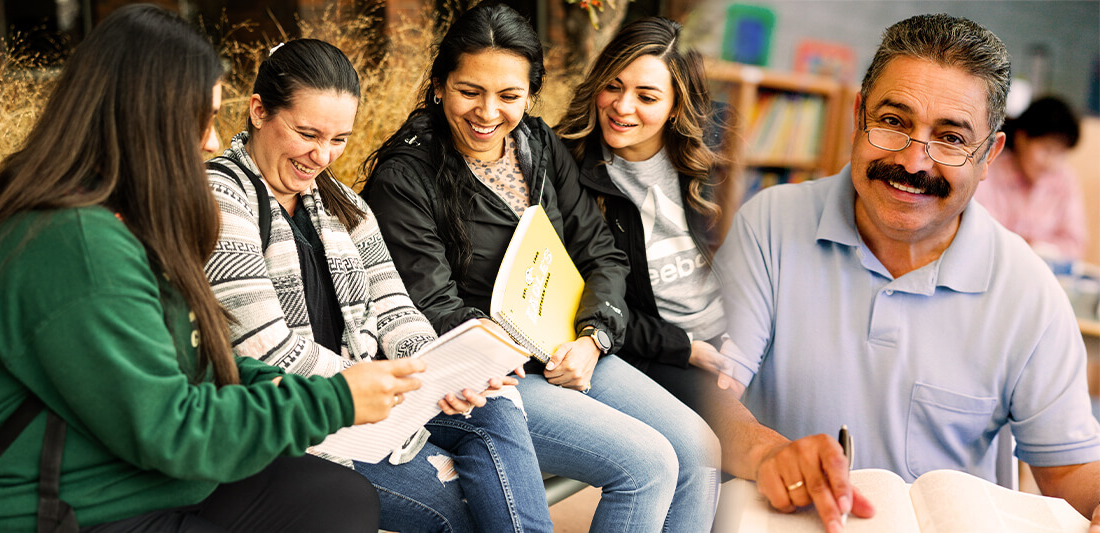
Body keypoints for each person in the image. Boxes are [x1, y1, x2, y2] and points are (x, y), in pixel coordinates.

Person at [0, 6, 423, 531]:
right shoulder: (74, 243)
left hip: (148, 472)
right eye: (200, 120)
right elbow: (169, 428)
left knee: (338, 499)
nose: (212, 142)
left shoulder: (124, 215)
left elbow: (202, 365)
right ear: (142, 118)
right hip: (81, 505)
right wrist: (332, 400)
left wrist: (353, 386)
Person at [707, 14, 1100, 529]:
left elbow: (1070, 471)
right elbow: (708, 390)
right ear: (859, 114)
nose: (915, 162)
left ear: (989, 156)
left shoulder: (1030, 292)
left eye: (952, 138)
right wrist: (765, 452)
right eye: (893, 122)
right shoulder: (770, 225)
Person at [361, 5, 717, 532]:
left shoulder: (537, 145)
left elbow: (602, 253)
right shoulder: (405, 178)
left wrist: (593, 338)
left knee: (701, 449)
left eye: (509, 96)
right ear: (439, 85)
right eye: (469, 91)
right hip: (490, 376)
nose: (487, 113)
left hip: (566, 349)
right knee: (647, 465)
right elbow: (434, 308)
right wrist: (523, 350)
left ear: (530, 94)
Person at [205, 38, 545, 533]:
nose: (322, 156)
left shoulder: (341, 203)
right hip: (296, 419)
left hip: (374, 398)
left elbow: (393, 309)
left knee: (495, 406)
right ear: (259, 111)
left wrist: (443, 372)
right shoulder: (221, 195)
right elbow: (265, 350)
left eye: (339, 139)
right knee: (461, 514)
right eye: (307, 133)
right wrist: (384, 386)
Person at [556, 17, 733, 410]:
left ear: (674, 107)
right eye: (613, 86)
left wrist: (749, 333)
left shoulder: (707, 161)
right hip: (654, 349)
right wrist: (685, 348)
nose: (622, 107)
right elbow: (574, 301)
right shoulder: (568, 171)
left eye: (647, 97)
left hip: (732, 334)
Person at [976, 96, 1087, 266]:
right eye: (1047, 149)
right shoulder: (988, 172)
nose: (1052, 163)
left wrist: (1036, 247)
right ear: (1022, 139)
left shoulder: (1064, 180)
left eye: (1060, 153)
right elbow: (978, 234)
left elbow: (1075, 244)